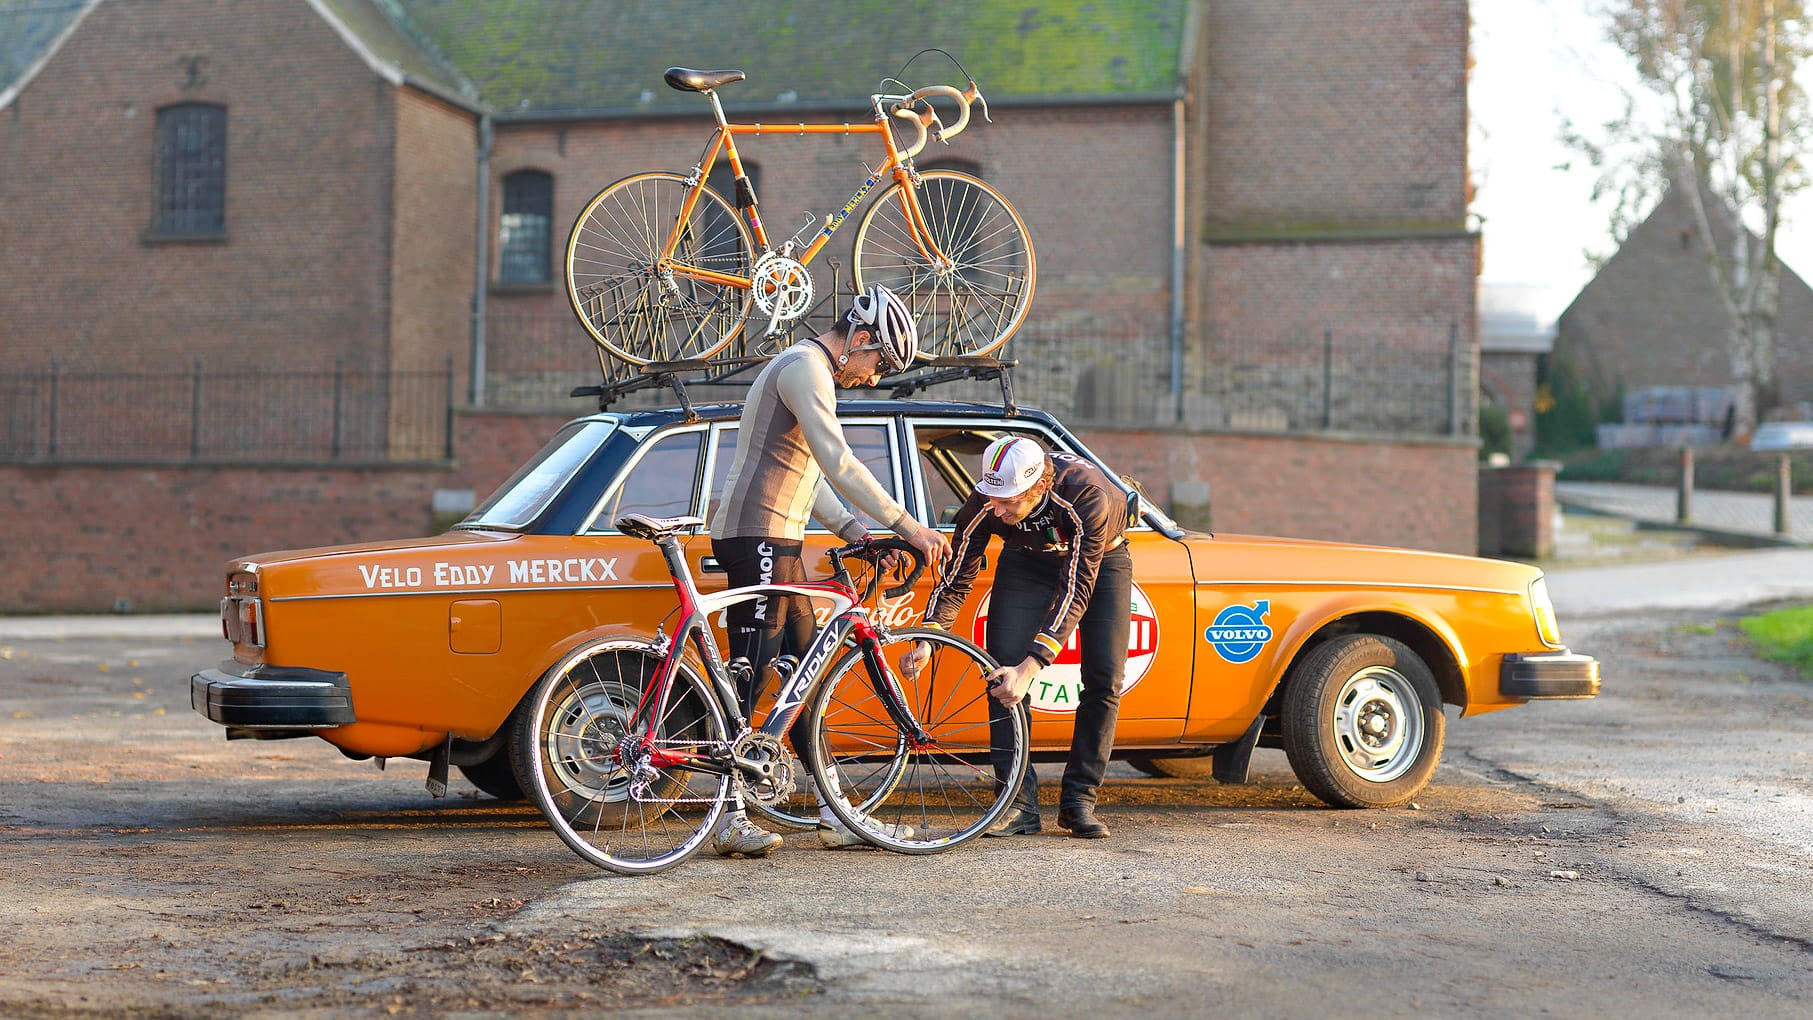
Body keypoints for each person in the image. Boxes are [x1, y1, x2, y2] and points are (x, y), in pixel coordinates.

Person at [707, 283, 952, 856]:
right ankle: (726, 817)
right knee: (755, 672)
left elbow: (808, 474)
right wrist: (907, 525)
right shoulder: (803, 366)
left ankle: (834, 813)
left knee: (802, 678)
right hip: (756, 531)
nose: (873, 378)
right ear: (860, 339)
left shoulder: (811, 370)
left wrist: (856, 532)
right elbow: (838, 461)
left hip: (775, 534)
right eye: (878, 364)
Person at [907, 435, 1133, 839]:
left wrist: (1033, 666)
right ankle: (1017, 803)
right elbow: (958, 578)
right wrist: (930, 637)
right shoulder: (986, 501)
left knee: (1105, 678)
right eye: (992, 498)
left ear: (1040, 487)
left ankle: (1079, 801)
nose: (997, 508)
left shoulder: (1087, 495)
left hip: (1100, 562)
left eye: (1009, 501)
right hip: (1027, 560)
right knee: (1001, 676)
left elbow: (1076, 589)